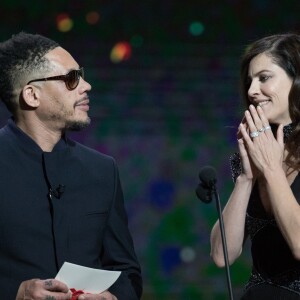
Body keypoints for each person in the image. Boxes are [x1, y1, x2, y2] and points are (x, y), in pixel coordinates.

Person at [0, 32, 142, 300]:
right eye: (71, 79)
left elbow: (127, 272)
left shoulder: (102, 170)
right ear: (32, 95)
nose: (86, 86)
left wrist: (113, 297)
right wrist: (16, 292)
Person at [210, 33, 300, 299]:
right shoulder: (254, 153)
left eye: (264, 77)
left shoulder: (268, 159)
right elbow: (221, 256)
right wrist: (245, 179)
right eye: (250, 81)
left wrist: (272, 170)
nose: (251, 91)